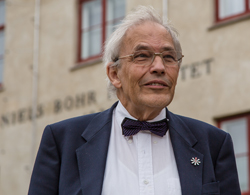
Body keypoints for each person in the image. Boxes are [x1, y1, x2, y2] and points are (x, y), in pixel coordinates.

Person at [28, 6, 241, 195]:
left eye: (168, 57)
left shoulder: (214, 144)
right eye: (142, 56)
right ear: (114, 74)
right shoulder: (62, 142)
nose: (159, 67)